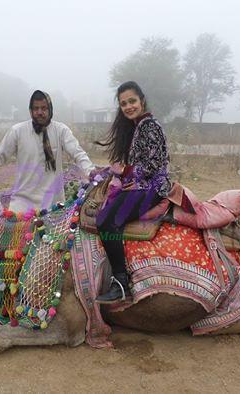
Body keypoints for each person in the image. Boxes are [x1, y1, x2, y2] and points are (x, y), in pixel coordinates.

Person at [95, 81, 172, 304]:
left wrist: (129, 174)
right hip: (144, 184)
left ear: (142, 100)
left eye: (132, 101)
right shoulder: (139, 126)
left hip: (154, 187)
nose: (128, 107)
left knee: (106, 221)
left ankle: (120, 283)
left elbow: (155, 163)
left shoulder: (149, 125)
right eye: (124, 104)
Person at [0, 90, 94, 212]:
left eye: (44, 108)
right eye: (36, 108)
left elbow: (78, 153)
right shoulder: (17, 131)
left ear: (50, 110)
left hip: (53, 208)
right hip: (21, 208)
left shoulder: (61, 131)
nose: (39, 112)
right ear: (30, 111)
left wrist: (92, 172)